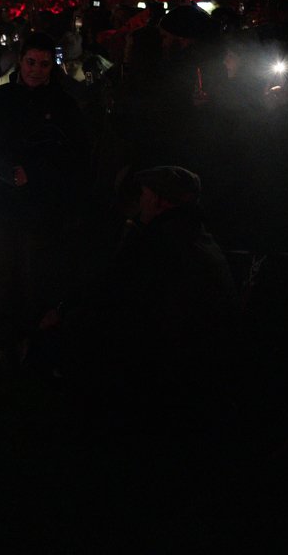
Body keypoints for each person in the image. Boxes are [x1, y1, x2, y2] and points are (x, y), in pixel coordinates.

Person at [57, 166, 240, 441]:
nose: (140, 200)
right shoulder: (199, 237)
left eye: (144, 194)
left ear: (159, 199)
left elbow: (115, 290)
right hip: (205, 359)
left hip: (171, 363)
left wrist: (63, 313)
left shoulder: (159, 243)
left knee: (88, 332)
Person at [0, 30, 90, 375]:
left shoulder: (64, 106)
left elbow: (75, 157)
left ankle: (28, 341)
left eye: (44, 64)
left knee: (33, 279)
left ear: (53, 66)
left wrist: (33, 173)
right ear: (20, 61)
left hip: (38, 208)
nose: (36, 70)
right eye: (31, 62)